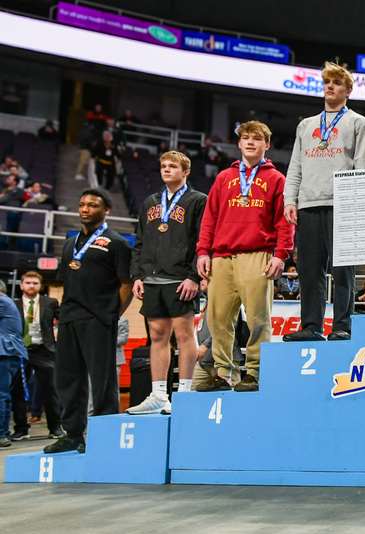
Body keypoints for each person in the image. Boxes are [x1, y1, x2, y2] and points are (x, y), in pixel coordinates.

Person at [196, 121, 294, 392]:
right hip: (221, 257)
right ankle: (224, 373)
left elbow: (284, 221)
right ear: (239, 144)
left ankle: (255, 372)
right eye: (246, 138)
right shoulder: (223, 178)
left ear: (267, 145)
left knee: (258, 319)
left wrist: (281, 254)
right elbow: (209, 218)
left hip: (257, 254)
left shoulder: (276, 179)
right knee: (217, 319)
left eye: (257, 139)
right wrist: (203, 252)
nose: (250, 142)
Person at [283, 62, 365, 342]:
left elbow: (363, 165)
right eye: (326, 82)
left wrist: (358, 203)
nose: (330, 86)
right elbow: (296, 164)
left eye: (336, 82)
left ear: (348, 90)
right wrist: (290, 198)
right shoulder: (306, 125)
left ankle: (343, 325)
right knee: (310, 271)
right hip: (308, 203)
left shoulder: (358, 122)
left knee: (343, 270)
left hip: (342, 204)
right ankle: (311, 326)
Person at [45, 189, 133, 453]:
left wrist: (111, 315)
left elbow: (127, 284)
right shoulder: (71, 243)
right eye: (82, 204)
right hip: (70, 319)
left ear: (106, 210)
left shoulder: (116, 242)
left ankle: (103, 434)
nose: (85, 209)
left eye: (92, 205)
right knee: (68, 379)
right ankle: (73, 434)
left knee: (102, 378)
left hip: (99, 320)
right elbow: (65, 281)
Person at [127, 151, 207, 414]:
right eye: (163, 166)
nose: (166, 170)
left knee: (184, 336)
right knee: (157, 336)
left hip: (180, 278)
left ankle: (184, 393)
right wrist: (137, 275)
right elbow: (139, 241)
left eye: (173, 166)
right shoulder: (151, 201)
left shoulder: (197, 201)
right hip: (152, 278)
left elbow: (203, 241)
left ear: (186, 171)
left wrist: (194, 277)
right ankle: (159, 395)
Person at [9, 271, 62, 441]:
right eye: (28, 283)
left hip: (44, 351)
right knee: (18, 391)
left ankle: (55, 427)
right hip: (20, 351)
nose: (31, 286)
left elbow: (63, 320)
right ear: (21, 285)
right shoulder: (13, 304)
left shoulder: (50, 303)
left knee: (51, 391)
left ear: (41, 286)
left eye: (35, 283)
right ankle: (21, 428)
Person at [0, 279, 27, 448]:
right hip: (11, 354)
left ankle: (2, 434)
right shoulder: (7, 302)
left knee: (1, 395)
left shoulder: (2, 301)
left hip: (5, 354)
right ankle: (4, 433)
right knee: (4, 395)